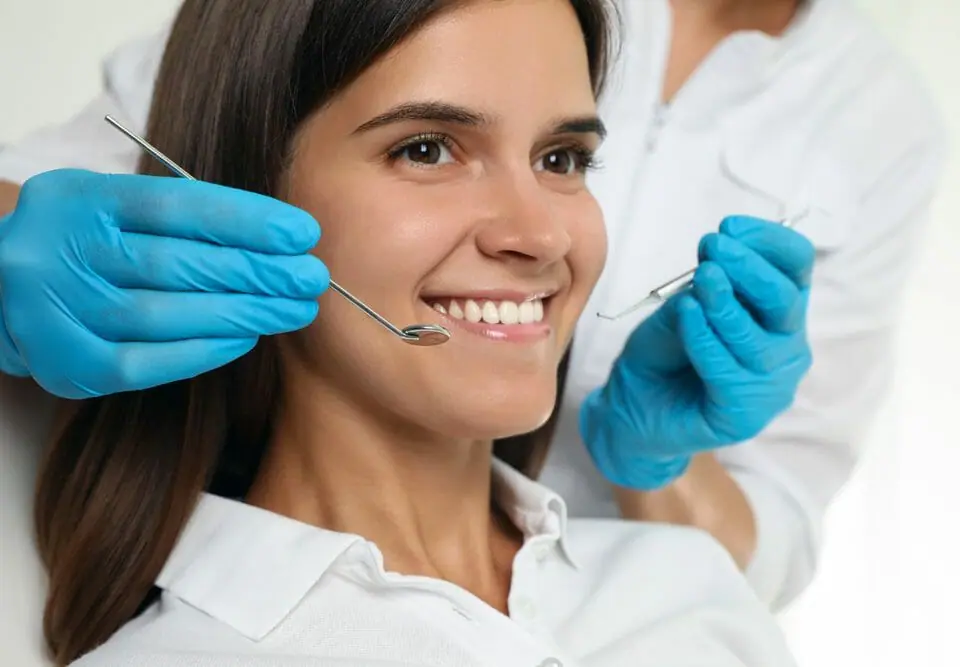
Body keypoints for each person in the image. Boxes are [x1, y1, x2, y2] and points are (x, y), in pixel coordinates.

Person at [0, 0, 946, 626]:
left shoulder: (878, 111)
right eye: (425, 148)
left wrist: (662, 462)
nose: (540, 235)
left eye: (566, 160)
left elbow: (770, 541)